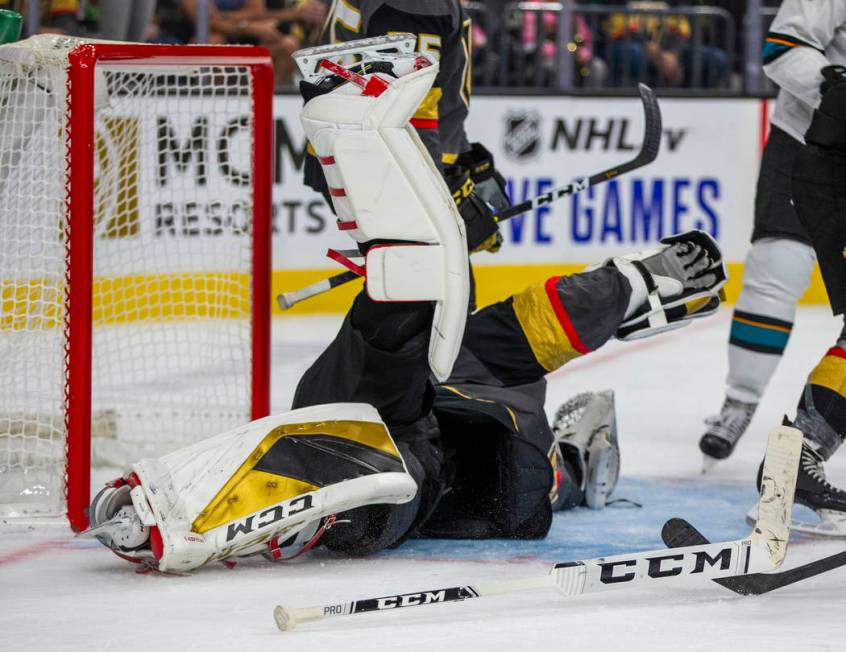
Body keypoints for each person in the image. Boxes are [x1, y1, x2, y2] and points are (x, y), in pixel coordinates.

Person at [80, 37, 728, 571]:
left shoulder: (535, 468)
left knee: (396, 444)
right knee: (400, 354)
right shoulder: (518, 420)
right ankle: (399, 235)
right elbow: (546, 316)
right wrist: (637, 279)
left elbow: (541, 322)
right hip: (388, 409)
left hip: (404, 452)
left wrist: (637, 280)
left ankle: (306, 507)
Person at [699, 0, 846, 472]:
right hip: (810, 137)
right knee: (777, 267)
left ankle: (810, 442)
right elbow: (784, 48)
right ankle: (740, 401)